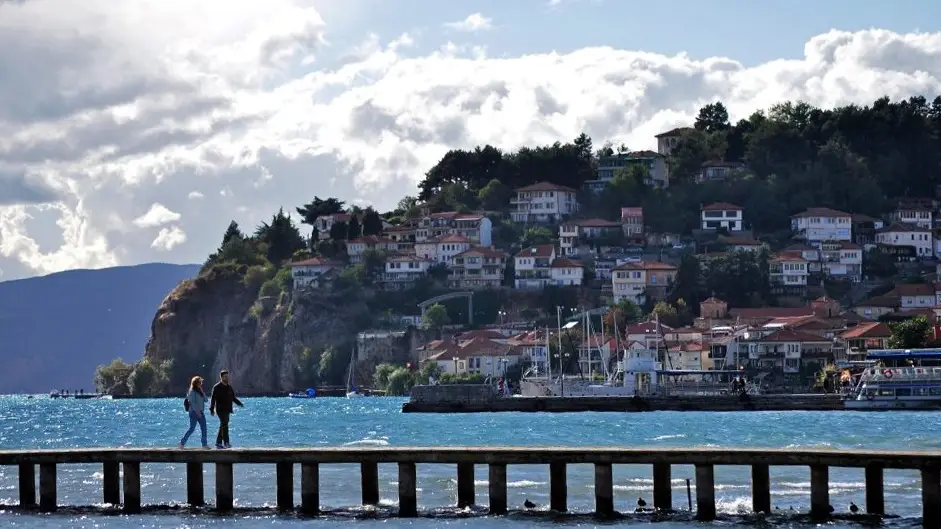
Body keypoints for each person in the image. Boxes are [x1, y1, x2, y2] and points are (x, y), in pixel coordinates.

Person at [209, 370, 244, 449]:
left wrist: (239, 403)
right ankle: (226, 443)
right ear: (221, 377)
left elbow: (233, 398)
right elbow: (213, 399)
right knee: (225, 424)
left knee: (223, 425)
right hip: (220, 409)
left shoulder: (229, 387)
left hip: (227, 409)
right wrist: (211, 409)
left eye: (228, 376)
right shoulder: (217, 387)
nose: (227, 378)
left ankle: (218, 442)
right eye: (225, 376)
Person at [180, 376, 208, 448]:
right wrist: (197, 412)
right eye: (199, 382)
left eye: (201, 382)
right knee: (192, 428)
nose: (201, 384)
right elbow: (192, 403)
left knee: (204, 428)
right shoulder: (192, 392)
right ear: (196, 383)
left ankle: (204, 445)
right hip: (193, 412)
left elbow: (206, 400)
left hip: (201, 412)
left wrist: (202, 391)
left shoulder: (200, 392)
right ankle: (182, 443)